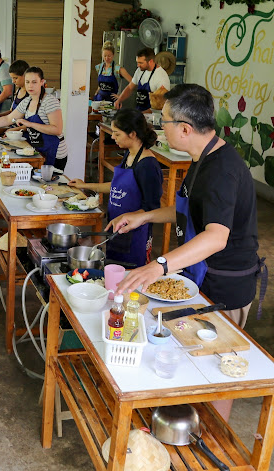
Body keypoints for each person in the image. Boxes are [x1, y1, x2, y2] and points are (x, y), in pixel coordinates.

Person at [112, 83, 267, 421]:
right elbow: (188, 211)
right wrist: (144, 216)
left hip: (223, 283)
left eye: (163, 121)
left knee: (218, 368)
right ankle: (190, 425)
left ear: (184, 128)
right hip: (198, 276)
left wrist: (160, 265)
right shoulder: (200, 157)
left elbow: (216, 237)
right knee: (194, 361)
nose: (157, 127)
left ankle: (214, 437)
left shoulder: (222, 170)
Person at [68, 109, 163, 267]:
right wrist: (84, 185)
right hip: (117, 228)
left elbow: (152, 209)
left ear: (132, 134)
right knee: (114, 269)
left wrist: (127, 219)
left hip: (135, 235)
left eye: (117, 134)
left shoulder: (148, 166)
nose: (112, 137)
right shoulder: (130, 154)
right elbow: (117, 186)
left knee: (129, 275)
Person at [0, 67, 68, 170]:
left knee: (48, 185)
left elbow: (57, 130)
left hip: (55, 152)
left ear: (42, 82)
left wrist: (30, 124)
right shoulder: (28, 101)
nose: (30, 85)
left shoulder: (49, 101)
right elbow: (8, 119)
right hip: (38, 150)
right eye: (27, 82)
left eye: (34, 82)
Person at [114, 47, 170, 112]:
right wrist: (119, 100)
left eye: (141, 63)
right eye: (137, 62)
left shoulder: (161, 77)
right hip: (139, 111)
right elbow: (130, 88)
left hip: (151, 117)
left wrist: (141, 114)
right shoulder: (140, 70)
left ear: (150, 61)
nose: (138, 65)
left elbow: (161, 105)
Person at [0, 60, 29, 129]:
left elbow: (30, 124)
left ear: (25, 76)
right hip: (12, 127)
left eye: (16, 78)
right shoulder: (18, 90)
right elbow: (11, 111)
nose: (13, 81)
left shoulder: (30, 94)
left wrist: (14, 130)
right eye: (12, 78)